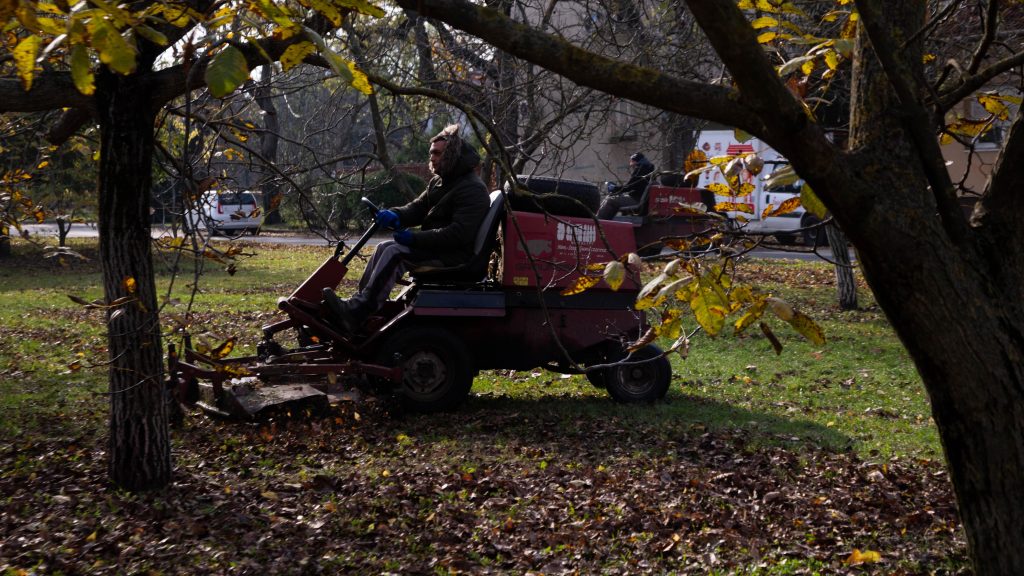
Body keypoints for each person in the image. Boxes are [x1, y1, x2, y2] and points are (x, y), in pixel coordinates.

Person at [324, 124, 490, 334]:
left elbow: (458, 234)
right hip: (440, 250)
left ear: (452, 155)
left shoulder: (471, 188)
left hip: (456, 258)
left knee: (395, 253)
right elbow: (417, 208)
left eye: (437, 153)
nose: (432, 158)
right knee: (385, 247)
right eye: (431, 153)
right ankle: (361, 308)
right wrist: (395, 214)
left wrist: (414, 238)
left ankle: (358, 312)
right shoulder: (440, 182)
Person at [596, 152, 656, 219]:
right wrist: (618, 190)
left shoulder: (640, 170)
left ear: (637, 161)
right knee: (613, 198)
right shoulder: (649, 171)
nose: (632, 166)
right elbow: (634, 186)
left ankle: (598, 222)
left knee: (610, 200)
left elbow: (629, 186)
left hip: (636, 199)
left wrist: (615, 189)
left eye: (633, 162)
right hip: (639, 198)